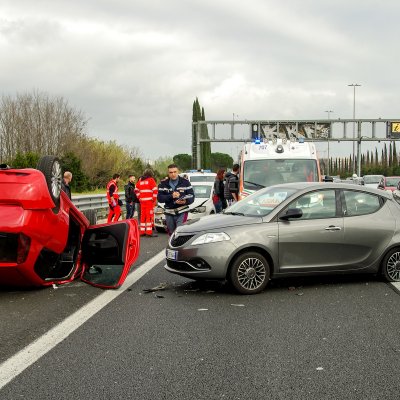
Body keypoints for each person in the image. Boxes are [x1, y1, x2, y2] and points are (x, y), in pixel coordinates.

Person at [158, 164, 194, 235]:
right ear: (168, 173)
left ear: (178, 172)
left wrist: (185, 201)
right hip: (169, 212)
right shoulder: (163, 184)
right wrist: (171, 196)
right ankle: (172, 245)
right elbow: (160, 198)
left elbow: (192, 196)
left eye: (175, 172)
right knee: (171, 234)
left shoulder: (185, 182)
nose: (173, 174)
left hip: (182, 211)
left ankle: (181, 246)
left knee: (180, 231)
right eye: (171, 172)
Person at [135, 169, 158, 237]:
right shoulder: (151, 180)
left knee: (143, 216)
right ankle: (148, 232)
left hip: (142, 202)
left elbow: (136, 189)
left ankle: (142, 232)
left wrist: (139, 198)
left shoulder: (140, 180)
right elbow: (155, 190)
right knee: (149, 216)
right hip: (149, 202)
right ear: (150, 174)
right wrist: (153, 199)